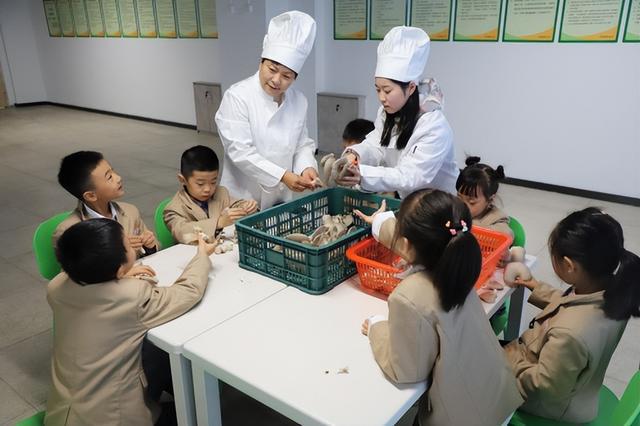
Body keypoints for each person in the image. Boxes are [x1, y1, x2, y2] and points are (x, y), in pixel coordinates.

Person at [356, 189, 522, 426]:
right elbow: (408, 240)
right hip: (498, 394)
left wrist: (377, 327)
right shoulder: (459, 258)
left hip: (466, 417)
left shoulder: (409, 296)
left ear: (406, 243)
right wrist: (380, 221)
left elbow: (405, 371)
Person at [45, 219, 216, 425]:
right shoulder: (132, 296)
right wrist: (202, 256)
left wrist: (118, 275)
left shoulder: (56, 287)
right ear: (119, 269)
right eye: (127, 244)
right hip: (113, 419)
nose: (130, 242)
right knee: (193, 413)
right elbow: (187, 292)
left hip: (62, 414)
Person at [503, 208, 640, 423]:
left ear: (568, 265)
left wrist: (508, 361)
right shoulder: (614, 291)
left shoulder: (570, 334)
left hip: (551, 405)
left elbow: (544, 387)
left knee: (473, 367)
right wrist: (535, 286)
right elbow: (572, 304)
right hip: (580, 389)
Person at [215, 10, 319, 210]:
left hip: (279, 198)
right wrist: (283, 176)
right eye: (272, 69)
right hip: (241, 198)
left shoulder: (299, 101)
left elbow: (302, 144)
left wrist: (306, 167)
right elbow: (240, 152)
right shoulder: (238, 96)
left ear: (295, 78)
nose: (276, 80)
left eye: (287, 76)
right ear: (261, 62)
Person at [337, 26, 458, 197]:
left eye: (387, 90)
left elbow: (411, 175)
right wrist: (353, 156)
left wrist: (362, 174)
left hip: (438, 203)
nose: (381, 97)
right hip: (408, 198)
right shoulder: (386, 113)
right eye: (378, 89)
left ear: (411, 88)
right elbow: (376, 146)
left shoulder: (433, 126)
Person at [53, 150, 157, 257]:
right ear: (91, 196)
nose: (118, 178)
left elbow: (149, 252)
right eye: (109, 177)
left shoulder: (130, 211)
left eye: (113, 171)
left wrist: (149, 247)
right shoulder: (70, 232)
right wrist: (118, 251)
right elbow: (76, 268)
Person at [163, 145, 257, 244]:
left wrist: (246, 207)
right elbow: (182, 232)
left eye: (213, 182)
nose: (208, 189)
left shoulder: (220, 193)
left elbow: (236, 204)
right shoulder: (173, 209)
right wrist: (219, 222)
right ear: (182, 180)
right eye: (200, 184)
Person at [456, 156, 512, 237]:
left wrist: (470, 224)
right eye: (459, 198)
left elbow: (507, 234)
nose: (462, 206)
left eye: (471, 202)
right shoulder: (453, 208)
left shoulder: (496, 217)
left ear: (490, 200)